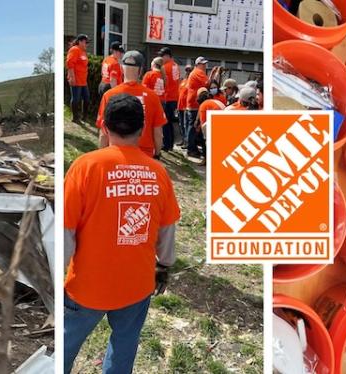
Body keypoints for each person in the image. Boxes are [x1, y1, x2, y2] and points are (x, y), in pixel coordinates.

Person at [64, 93, 181, 374]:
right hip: (136, 285)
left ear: (104, 126)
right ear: (142, 130)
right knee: (125, 347)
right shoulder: (158, 172)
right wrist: (164, 266)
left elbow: (66, 229)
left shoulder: (86, 167)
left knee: (66, 345)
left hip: (86, 287)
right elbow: (168, 230)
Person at [96, 51, 167, 159]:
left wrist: (102, 156)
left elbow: (103, 132)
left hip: (116, 155)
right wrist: (157, 153)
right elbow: (158, 133)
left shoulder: (109, 95)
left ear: (121, 69)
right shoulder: (152, 97)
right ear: (141, 70)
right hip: (144, 156)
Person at [181, 57, 209, 153]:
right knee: (193, 126)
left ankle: (191, 147)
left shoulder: (196, 72)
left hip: (192, 103)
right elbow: (208, 83)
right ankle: (191, 148)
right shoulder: (198, 72)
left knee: (192, 126)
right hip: (194, 103)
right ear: (197, 64)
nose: (205, 66)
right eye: (203, 64)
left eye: (205, 64)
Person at [157, 48, 180, 152]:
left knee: (166, 122)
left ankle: (166, 145)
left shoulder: (165, 67)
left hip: (168, 97)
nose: (161, 58)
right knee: (170, 122)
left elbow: (163, 83)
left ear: (167, 56)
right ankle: (170, 144)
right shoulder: (176, 65)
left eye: (162, 56)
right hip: (175, 97)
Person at [192, 87, 225, 161]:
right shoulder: (213, 101)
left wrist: (202, 133)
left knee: (205, 141)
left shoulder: (204, 105)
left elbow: (204, 125)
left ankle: (206, 160)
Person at [66, 34, 90, 123]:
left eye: (87, 43)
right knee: (76, 99)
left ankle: (84, 117)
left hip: (83, 81)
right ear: (80, 41)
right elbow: (70, 64)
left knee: (87, 99)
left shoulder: (83, 51)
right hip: (76, 79)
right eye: (85, 42)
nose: (87, 44)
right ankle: (75, 118)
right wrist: (72, 77)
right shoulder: (75, 50)